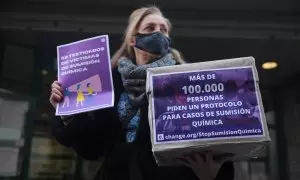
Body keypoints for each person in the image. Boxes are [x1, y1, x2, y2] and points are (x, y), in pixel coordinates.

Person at [49, 6, 235, 180]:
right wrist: (68, 113)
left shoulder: (187, 80)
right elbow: (93, 149)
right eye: (150, 28)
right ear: (133, 39)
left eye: (163, 29)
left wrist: (213, 176)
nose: (158, 33)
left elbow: (210, 133)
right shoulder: (109, 83)